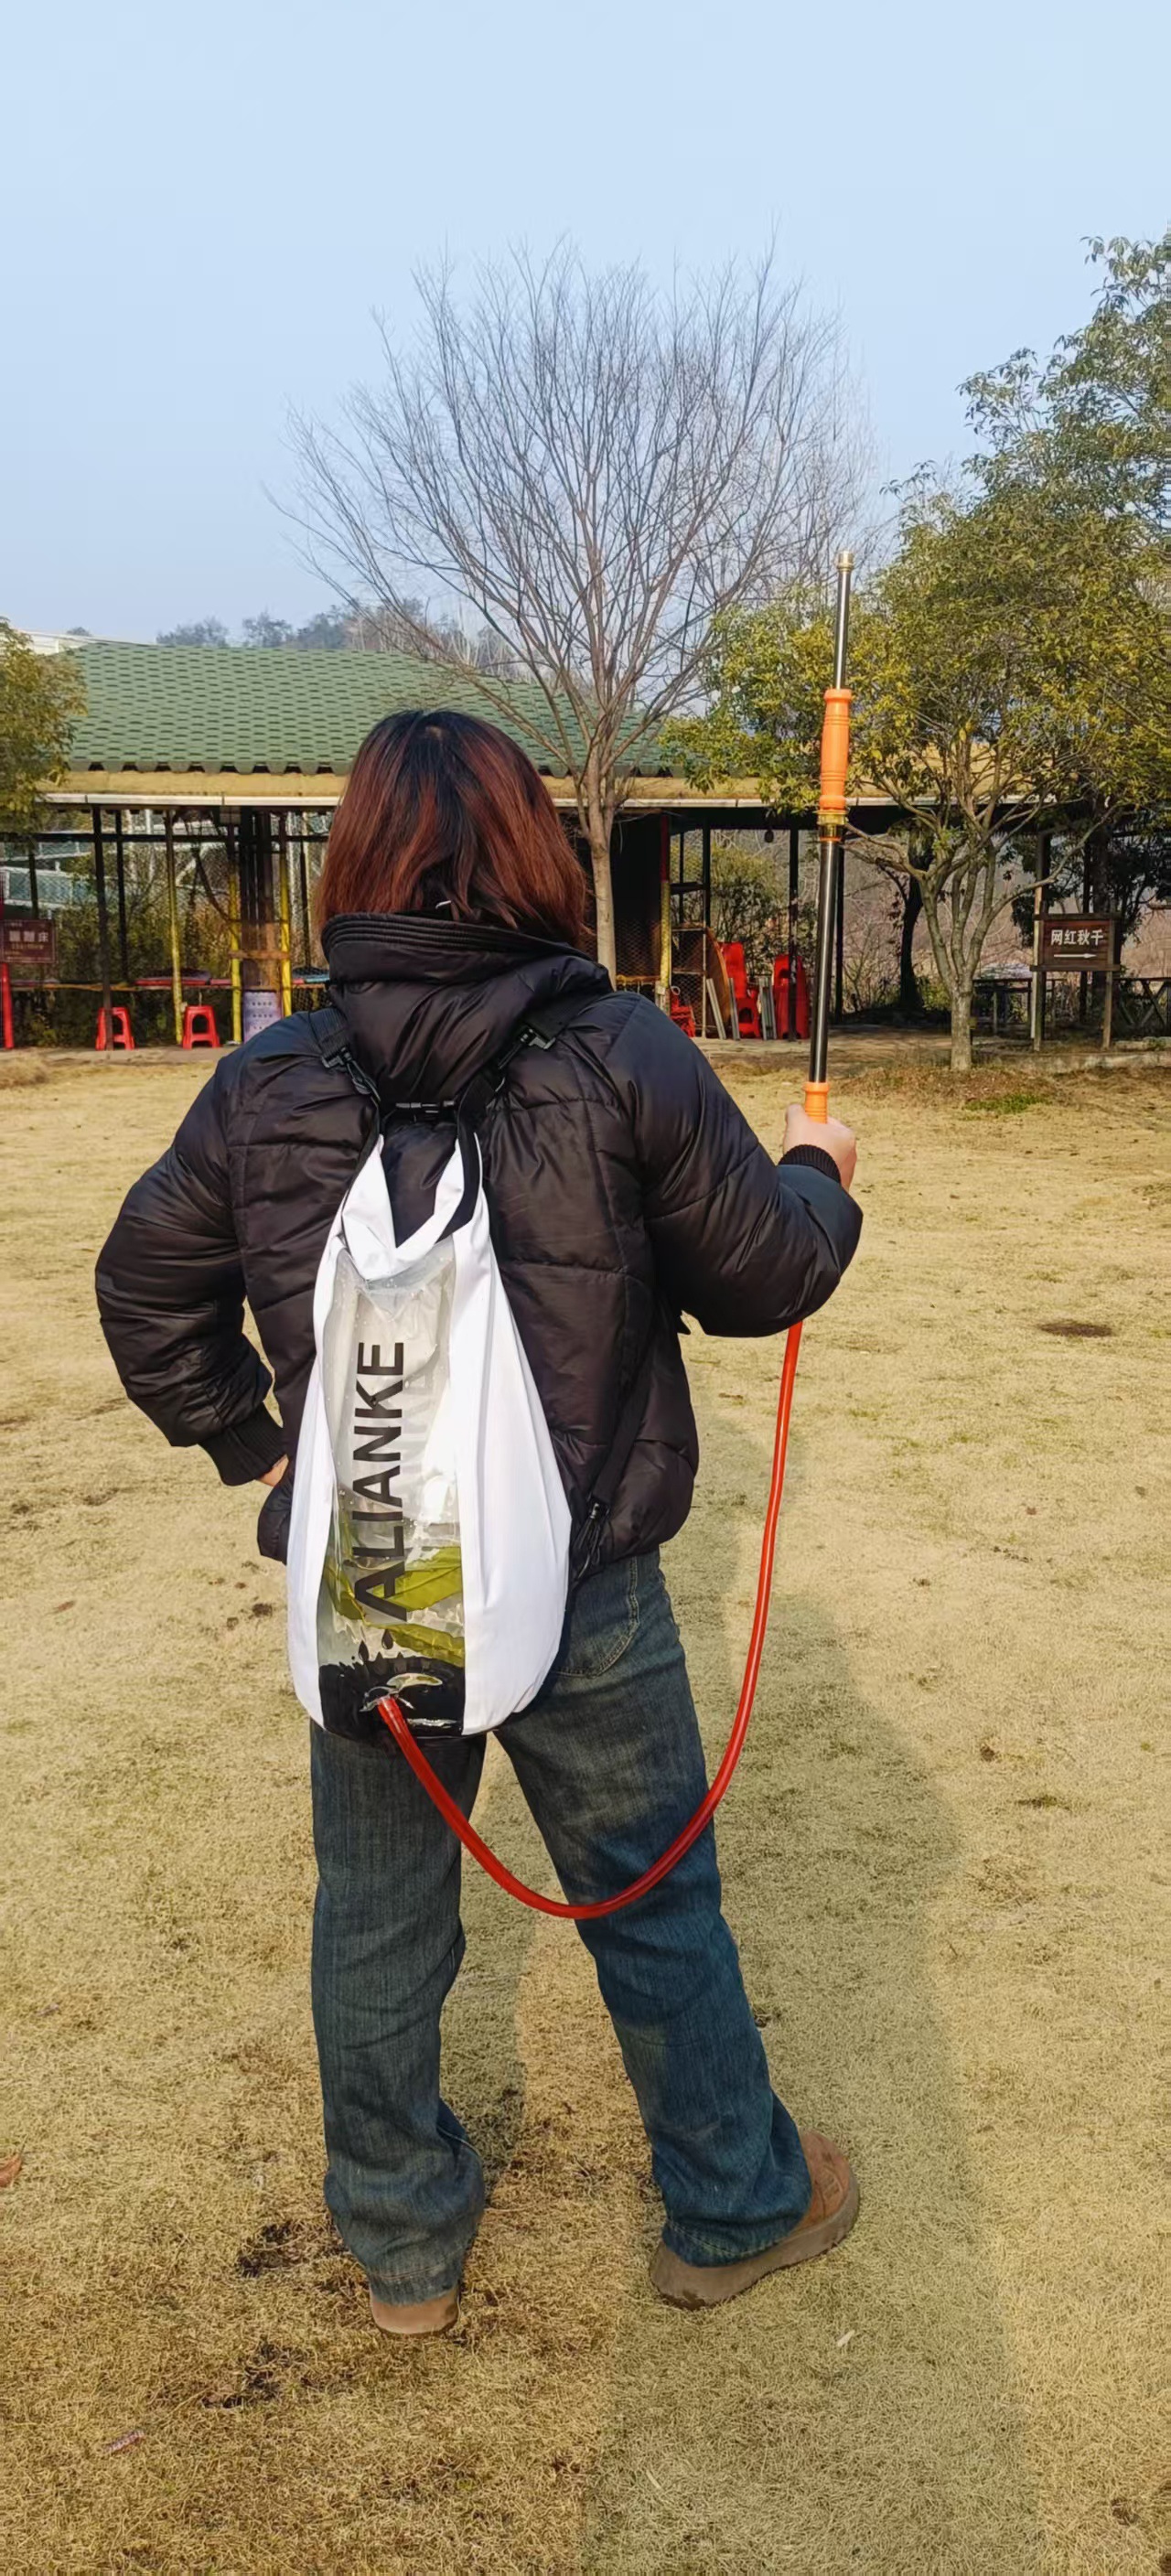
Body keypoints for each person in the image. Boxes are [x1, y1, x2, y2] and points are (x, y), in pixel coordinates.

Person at [97, 710, 863, 2339]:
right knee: (652, 1895)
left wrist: (265, 1453)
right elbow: (768, 1274)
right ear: (536, 856)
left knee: (376, 1918)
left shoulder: (270, 1078)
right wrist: (821, 1168)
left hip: (377, 1564)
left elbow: (143, 1287)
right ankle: (735, 2202)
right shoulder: (625, 1051)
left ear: (355, 864)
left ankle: (403, 2252)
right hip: (591, 1572)